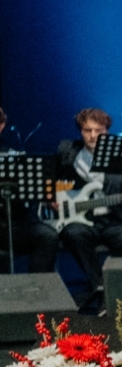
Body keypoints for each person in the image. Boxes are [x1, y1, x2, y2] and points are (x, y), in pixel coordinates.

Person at [56, 108, 122, 310]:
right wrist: (53, 198)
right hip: (82, 220)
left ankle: (121, 292)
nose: (92, 136)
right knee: (72, 233)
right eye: (87, 130)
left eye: (98, 131)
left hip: (114, 221)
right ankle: (99, 285)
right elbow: (52, 180)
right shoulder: (67, 152)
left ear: (107, 131)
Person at [0, 106, 60, 275]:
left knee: (47, 236)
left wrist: (44, 195)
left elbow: (31, 196)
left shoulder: (14, 157)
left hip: (14, 224)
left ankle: (37, 294)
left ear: (2, 125)